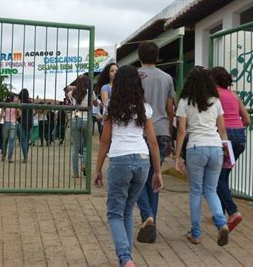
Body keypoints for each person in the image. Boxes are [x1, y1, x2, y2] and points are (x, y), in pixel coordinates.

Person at [93, 65, 163, 267]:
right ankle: (127, 258)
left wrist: (97, 169)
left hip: (120, 160)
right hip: (142, 160)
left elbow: (105, 141)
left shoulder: (111, 109)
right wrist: (157, 171)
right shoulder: (144, 108)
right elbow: (153, 142)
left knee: (114, 213)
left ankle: (125, 259)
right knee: (127, 210)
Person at [174, 67, 230, 246]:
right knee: (211, 190)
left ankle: (196, 233)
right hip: (215, 147)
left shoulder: (185, 101)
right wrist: (226, 150)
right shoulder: (216, 100)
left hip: (196, 147)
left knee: (196, 192)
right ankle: (221, 223)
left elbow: (182, 130)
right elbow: (222, 129)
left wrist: (177, 157)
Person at [135, 42, 175, 243]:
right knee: (154, 179)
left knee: (137, 178)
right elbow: (170, 109)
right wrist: (169, 137)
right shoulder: (167, 78)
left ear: (139, 56)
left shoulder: (134, 76)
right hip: (160, 132)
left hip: (139, 132)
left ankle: (146, 216)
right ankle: (152, 223)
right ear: (158, 56)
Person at [210, 67, 250, 232]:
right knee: (224, 176)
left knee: (217, 179)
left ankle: (233, 212)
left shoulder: (214, 95)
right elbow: (247, 120)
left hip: (224, 136)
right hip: (240, 137)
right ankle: (220, 213)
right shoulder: (234, 95)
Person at [70, 75, 97, 178]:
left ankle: (75, 173)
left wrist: (72, 87)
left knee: (75, 148)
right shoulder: (91, 92)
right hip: (86, 120)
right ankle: (85, 166)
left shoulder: (73, 93)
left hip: (75, 119)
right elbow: (95, 104)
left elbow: (68, 91)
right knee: (86, 146)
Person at [0, 94, 20, 163]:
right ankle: (10, 158)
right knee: (12, 141)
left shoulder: (5, 106)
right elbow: (19, 114)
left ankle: (3, 156)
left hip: (6, 123)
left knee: (5, 141)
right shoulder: (15, 106)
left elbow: (1, 115)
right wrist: (16, 117)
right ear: (13, 99)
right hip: (13, 124)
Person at [18, 88, 33, 163]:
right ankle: (25, 156)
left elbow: (19, 113)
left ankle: (25, 157)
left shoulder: (20, 103)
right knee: (27, 140)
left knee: (23, 140)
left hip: (22, 122)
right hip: (29, 122)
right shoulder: (30, 103)